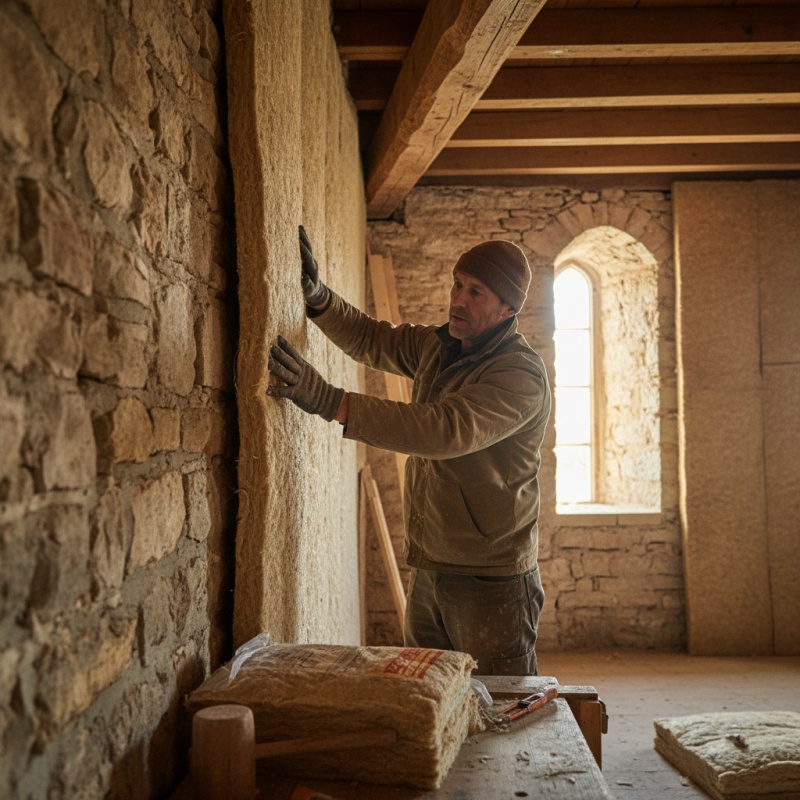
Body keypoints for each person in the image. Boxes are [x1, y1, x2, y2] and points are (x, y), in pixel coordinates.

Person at [268, 226, 552, 675]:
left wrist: (329, 400)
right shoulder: (441, 346)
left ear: (508, 309)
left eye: (476, 292)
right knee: (428, 694)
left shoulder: (518, 375)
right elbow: (374, 339)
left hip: (491, 579)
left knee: (502, 706)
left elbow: (443, 431)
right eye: (458, 284)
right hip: (431, 564)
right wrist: (320, 298)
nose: (458, 299)